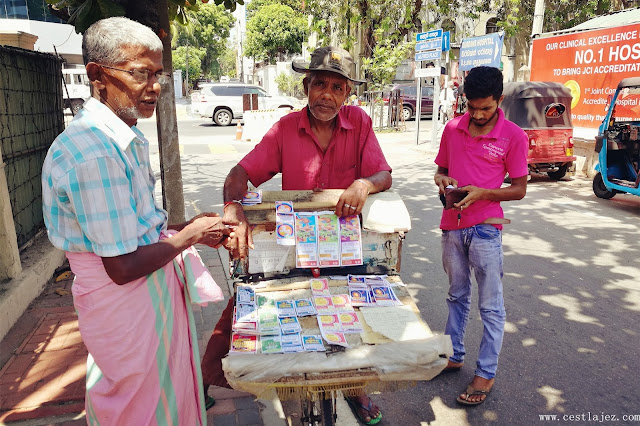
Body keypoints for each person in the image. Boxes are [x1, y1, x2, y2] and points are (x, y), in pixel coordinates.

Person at [41, 17, 230, 424]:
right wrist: (190, 235)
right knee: (136, 407)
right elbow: (122, 265)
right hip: (126, 304)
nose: (154, 86)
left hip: (149, 298)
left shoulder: (123, 138)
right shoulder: (94, 152)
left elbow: (136, 231)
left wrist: (185, 230)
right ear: (97, 75)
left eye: (157, 74)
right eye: (140, 73)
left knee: (163, 398)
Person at [201, 46, 391, 425]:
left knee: (353, 314)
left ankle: (355, 388)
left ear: (347, 94)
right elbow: (240, 174)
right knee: (242, 308)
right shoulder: (286, 129)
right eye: (320, 84)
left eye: (338, 88)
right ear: (306, 86)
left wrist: (363, 184)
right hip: (294, 246)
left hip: (342, 246)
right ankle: (201, 383)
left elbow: (383, 174)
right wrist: (232, 208)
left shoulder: (361, 123)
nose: (327, 95)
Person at [433, 66, 528, 406]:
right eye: (472, 107)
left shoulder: (514, 136)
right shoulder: (453, 127)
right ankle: (453, 354)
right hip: (452, 224)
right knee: (456, 295)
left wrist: (485, 194)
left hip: (487, 229)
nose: (477, 114)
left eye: (485, 108)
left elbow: (518, 190)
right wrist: (441, 180)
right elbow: (442, 169)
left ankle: (485, 373)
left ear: (499, 100)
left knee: (491, 306)